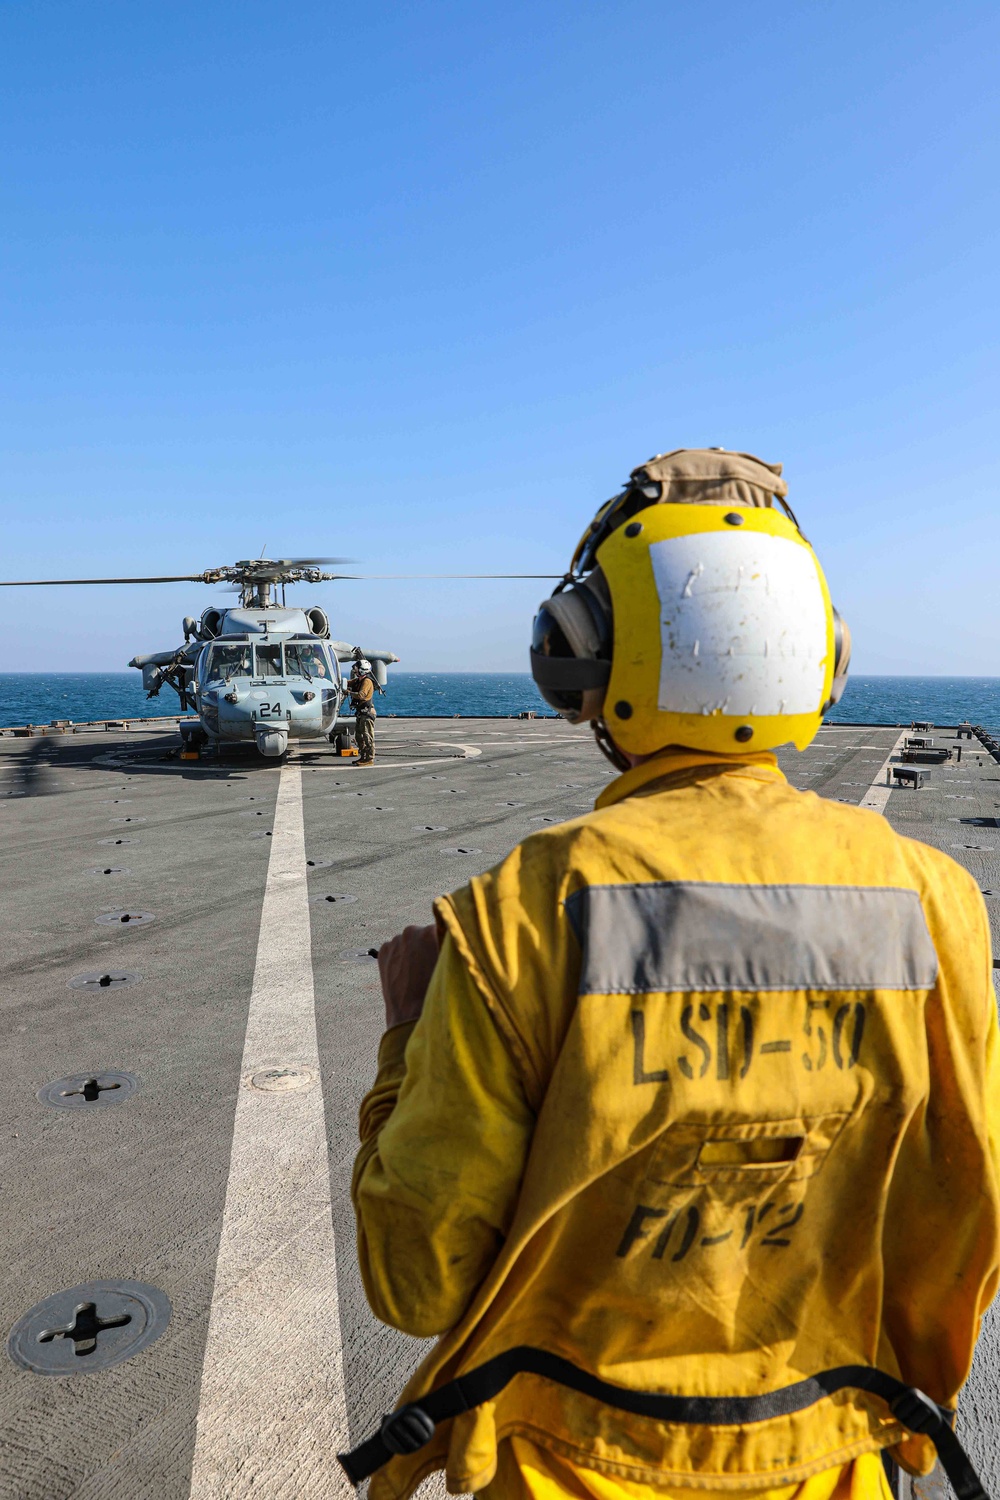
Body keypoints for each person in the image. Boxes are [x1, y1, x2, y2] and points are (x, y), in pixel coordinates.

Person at [347, 450, 1000, 1500]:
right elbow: (961, 1222)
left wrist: (403, 1038)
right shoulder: (937, 904)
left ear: (581, 660)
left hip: (569, 1471)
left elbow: (415, 1281)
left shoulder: (519, 913)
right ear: (819, 659)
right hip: (838, 1461)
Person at [348, 647, 378, 766]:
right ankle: (363, 756)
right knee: (359, 736)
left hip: (367, 713)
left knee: (367, 736)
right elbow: (349, 683)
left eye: (357, 668)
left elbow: (361, 695)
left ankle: (369, 758)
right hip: (361, 713)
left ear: (361, 670)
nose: (355, 670)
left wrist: (348, 693)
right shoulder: (358, 681)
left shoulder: (367, 682)